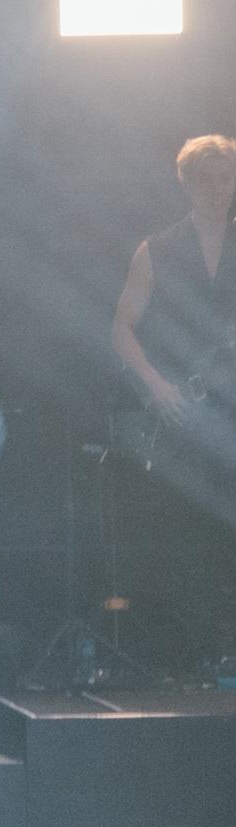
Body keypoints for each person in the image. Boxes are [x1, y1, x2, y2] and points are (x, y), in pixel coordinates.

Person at [112, 133, 236, 674]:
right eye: (207, 181)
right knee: (184, 535)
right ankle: (186, 659)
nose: (219, 190)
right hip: (184, 410)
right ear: (187, 185)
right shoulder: (156, 250)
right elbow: (121, 328)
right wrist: (156, 385)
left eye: (226, 179)